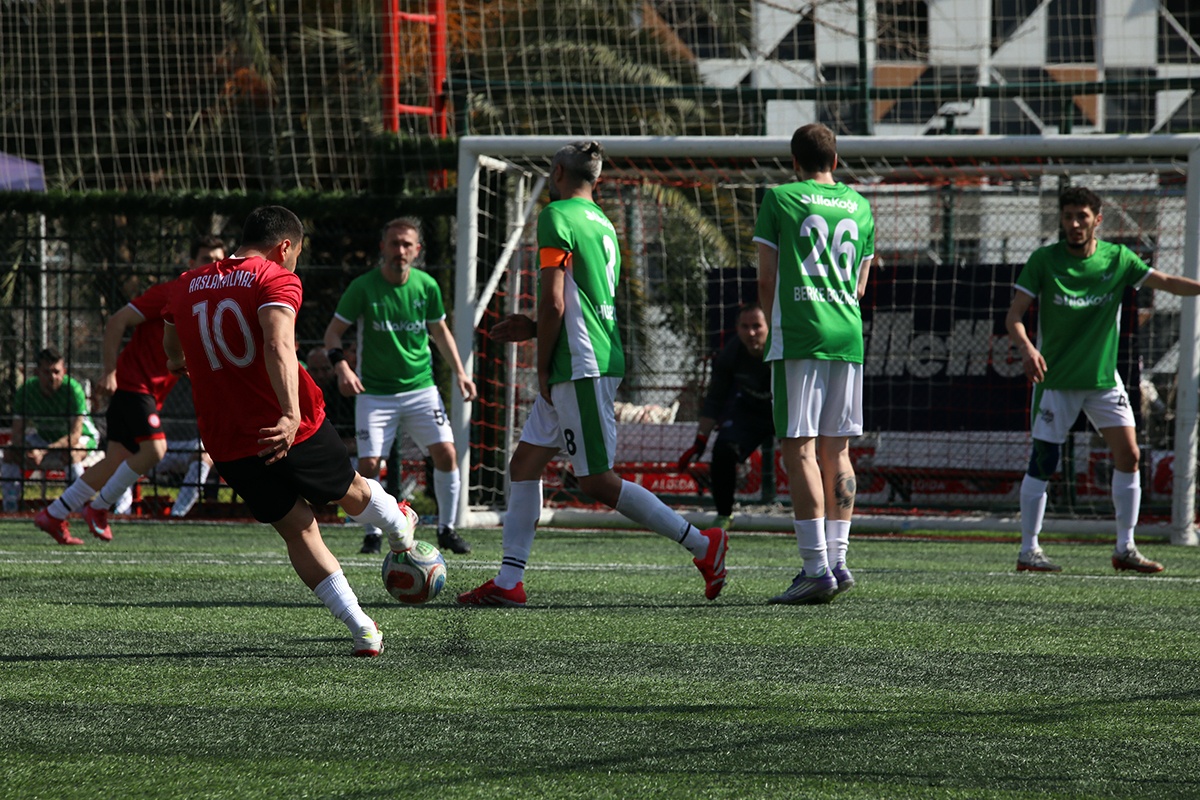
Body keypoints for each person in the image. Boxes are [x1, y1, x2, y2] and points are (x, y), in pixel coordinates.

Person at [457, 140, 728, 607]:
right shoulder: (603, 223)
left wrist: (542, 364)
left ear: (559, 173)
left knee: (596, 480)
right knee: (524, 466)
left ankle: (703, 545)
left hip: (578, 364)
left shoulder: (556, 215)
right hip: (585, 355)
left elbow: (556, 302)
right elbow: (579, 302)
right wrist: (534, 328)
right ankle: (509, 580)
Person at [162, 205, 417, 657]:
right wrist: (290, 413)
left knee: (298, 530)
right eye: (297, 253)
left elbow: (171, 343)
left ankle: (362, 628)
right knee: (350, 490)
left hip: (227, 438)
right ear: (284, 247)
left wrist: (178, 360)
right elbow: (278, 342)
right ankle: (399, 524)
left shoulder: (185, 283)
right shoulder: (274, 277)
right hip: (287, 427)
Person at [1005, 185, 1200, 574]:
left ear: (1097, 219)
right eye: (1068, 217)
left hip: (1102, 381)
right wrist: (1027, 349)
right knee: (1044, 460)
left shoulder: (1117, 259)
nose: (1075, 224)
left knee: (1130, 455)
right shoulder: (1044, 260)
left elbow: (1165, 282)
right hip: (1056, 381)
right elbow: (1014, 316)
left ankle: (1125, 548)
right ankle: (1029, 551)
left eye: (1082, 217)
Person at [32, 236, 227, 543]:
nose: (213, 266)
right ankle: (98, 508)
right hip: (134, 386)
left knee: (115, 461)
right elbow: (116, 321)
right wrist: (109, 372)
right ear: (191, 264)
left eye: (218, 261)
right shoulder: (170, 292)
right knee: (155, 449)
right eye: (206, 259)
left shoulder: (207, 307)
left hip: (146, 393)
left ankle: (54, 514)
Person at [754, 123, 875, 605]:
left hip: (802, 335)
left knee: (799, 450)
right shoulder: (860, 205)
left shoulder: (779, 198)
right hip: (848, 335)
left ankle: (815, 568)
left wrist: (775, 327)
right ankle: (838, 561)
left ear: (794, 162)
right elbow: (861, 285)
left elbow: (767, 280)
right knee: (837, 450)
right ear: (836, 160)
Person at [322, 217, 477, 556]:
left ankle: (447, 529)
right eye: (394, 243)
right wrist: (342, 367)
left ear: (417, 250)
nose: (400, 250)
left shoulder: (427, 286)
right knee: (369, 465)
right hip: (374, 394)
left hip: (421, 388)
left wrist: (461, 373)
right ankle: (372, 534)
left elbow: (440, 332)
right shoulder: (363, 287)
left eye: (407, 244)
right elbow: (332, 334)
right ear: (383, 247)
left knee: (447, 453)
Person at [677, 303, 773, 530]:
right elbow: (715, 400)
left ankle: (813, 517)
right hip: (750, 411)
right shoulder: (730, 354)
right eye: (745, 327)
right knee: (723, 450)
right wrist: (700, 440)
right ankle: (723, 515)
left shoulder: (784, 350)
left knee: (801, 457)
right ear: (737, 329)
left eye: (757, 326)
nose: (751, 333)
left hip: (785, 410)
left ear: (769, 326)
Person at [2, 348, 101, 526]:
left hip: (80, 438)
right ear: (37, 372)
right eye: (47, 372)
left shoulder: (73, 389)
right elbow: (17, 434)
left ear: (64, 372)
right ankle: (11, 508)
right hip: (43, 439)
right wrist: (28, 450)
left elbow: (74, 436)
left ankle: (76, 509)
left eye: (57, 372)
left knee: (71, 454)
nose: (52, 377)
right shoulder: (26, 391)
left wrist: (43, 452)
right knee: (9, 453)